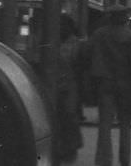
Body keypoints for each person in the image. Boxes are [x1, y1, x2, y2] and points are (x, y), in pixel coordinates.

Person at [88, 4, 131, 166]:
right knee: (125, 125)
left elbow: (90, 55)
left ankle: (103, 161)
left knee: (104, 124)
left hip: (105, 82)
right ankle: (124, 160)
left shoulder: (99, 34)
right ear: (125, 19)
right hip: (125, 83)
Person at [56, 14, 84, 163]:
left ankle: (68, 147)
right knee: (66, 117)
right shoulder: (75, 44)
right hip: (66, 85)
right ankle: (67, 147)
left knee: (68, 117)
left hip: (68, 86)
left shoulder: (75, 44)